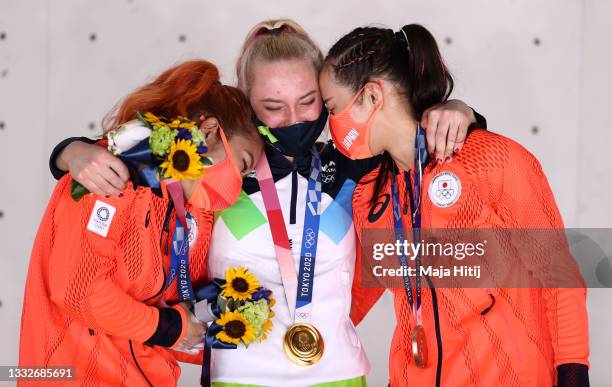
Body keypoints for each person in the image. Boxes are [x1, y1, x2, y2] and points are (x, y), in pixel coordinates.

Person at [46, 20, 486, 386]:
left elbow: (427, 160)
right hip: (235, 375)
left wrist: (463, 112)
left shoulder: (359, 162)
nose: (293, 119)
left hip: (339, 372)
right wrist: (72, 150)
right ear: (245, 104)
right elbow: (144, 153)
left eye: (309, 101)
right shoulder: (218, 168)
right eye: (273, 106)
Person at [320, 23, 590, 387]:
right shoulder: (368, 193)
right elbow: (350, 299)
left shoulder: (492, 159)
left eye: (332, 107)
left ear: (371, 96)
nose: (329, 124)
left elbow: (559, 276)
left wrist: (573, 375)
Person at [19, 59, 263, 386]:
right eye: (242, 165)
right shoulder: (108, 174)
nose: (237, 184)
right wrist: (172, 327)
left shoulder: (197, 214)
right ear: (208, 132)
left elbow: (172, 318)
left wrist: (229, 328)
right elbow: (79, 290)